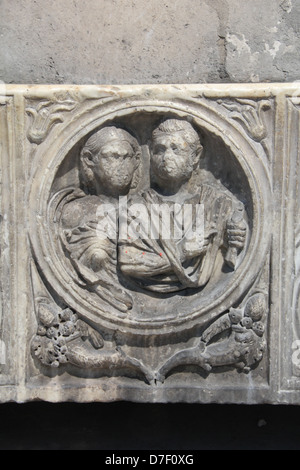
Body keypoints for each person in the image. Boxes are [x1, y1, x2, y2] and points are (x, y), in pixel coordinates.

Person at [118, 119, 247, 293]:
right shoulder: (135, 207)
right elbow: (128, 263)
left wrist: (236, 238)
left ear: (195, 156)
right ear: (150, 154)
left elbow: (231, 246)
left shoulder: (217, 204)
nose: (167, 157)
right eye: (160, 150)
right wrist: (182, 252)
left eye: (176, 149)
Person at [57, 126, 141, 313]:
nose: (121, 165)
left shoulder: (148, 209)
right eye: (112, 157)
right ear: (89, 160)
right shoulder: (74, 212)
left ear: (136, 161)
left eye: (127, 157)